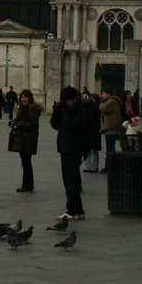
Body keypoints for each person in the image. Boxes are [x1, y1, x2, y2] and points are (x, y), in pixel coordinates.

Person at [49, 86, 91, 224]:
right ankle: (77, 210)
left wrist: (64, 114)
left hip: (75, 149)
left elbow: (76, 126)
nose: (66, 103)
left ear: (74, 100)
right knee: (69, 181)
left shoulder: (81, 110)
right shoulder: (65, 110)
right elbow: (55, 125)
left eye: (67, 101)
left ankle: (74, 210)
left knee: (71, 181)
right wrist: (57, 111)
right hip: (65, 148)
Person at [7, 88, 40, 192]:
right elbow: (19, 121)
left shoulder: (31, 109)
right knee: (25, 163)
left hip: (28, 139)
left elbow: (33, 124)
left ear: (30, 98)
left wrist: (18, 125)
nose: (24, 99)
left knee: (26, 163)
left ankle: (27, 186)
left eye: (26, 97)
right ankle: (27, 185)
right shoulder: (23, 109)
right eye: (22, 97)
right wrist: (12, 123)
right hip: (24, 139)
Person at [99, 86, 124, 169]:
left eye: (103, 94)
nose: (102, 96)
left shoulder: (112, 101)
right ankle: (109, 166)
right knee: (110, 148)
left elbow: (103, 108)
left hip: (111, 128)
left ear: (108, 94)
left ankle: (111, 166)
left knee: (110, 148)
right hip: (110, 128)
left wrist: (100, 104)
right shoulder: (111, 101)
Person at [80, 88, 102, 171]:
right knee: (89, 150)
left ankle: (93, 166)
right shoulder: (88, 107)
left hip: (95, 131)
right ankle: (88, 166)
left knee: (94, 150)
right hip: (89, 130)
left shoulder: (97, 108)